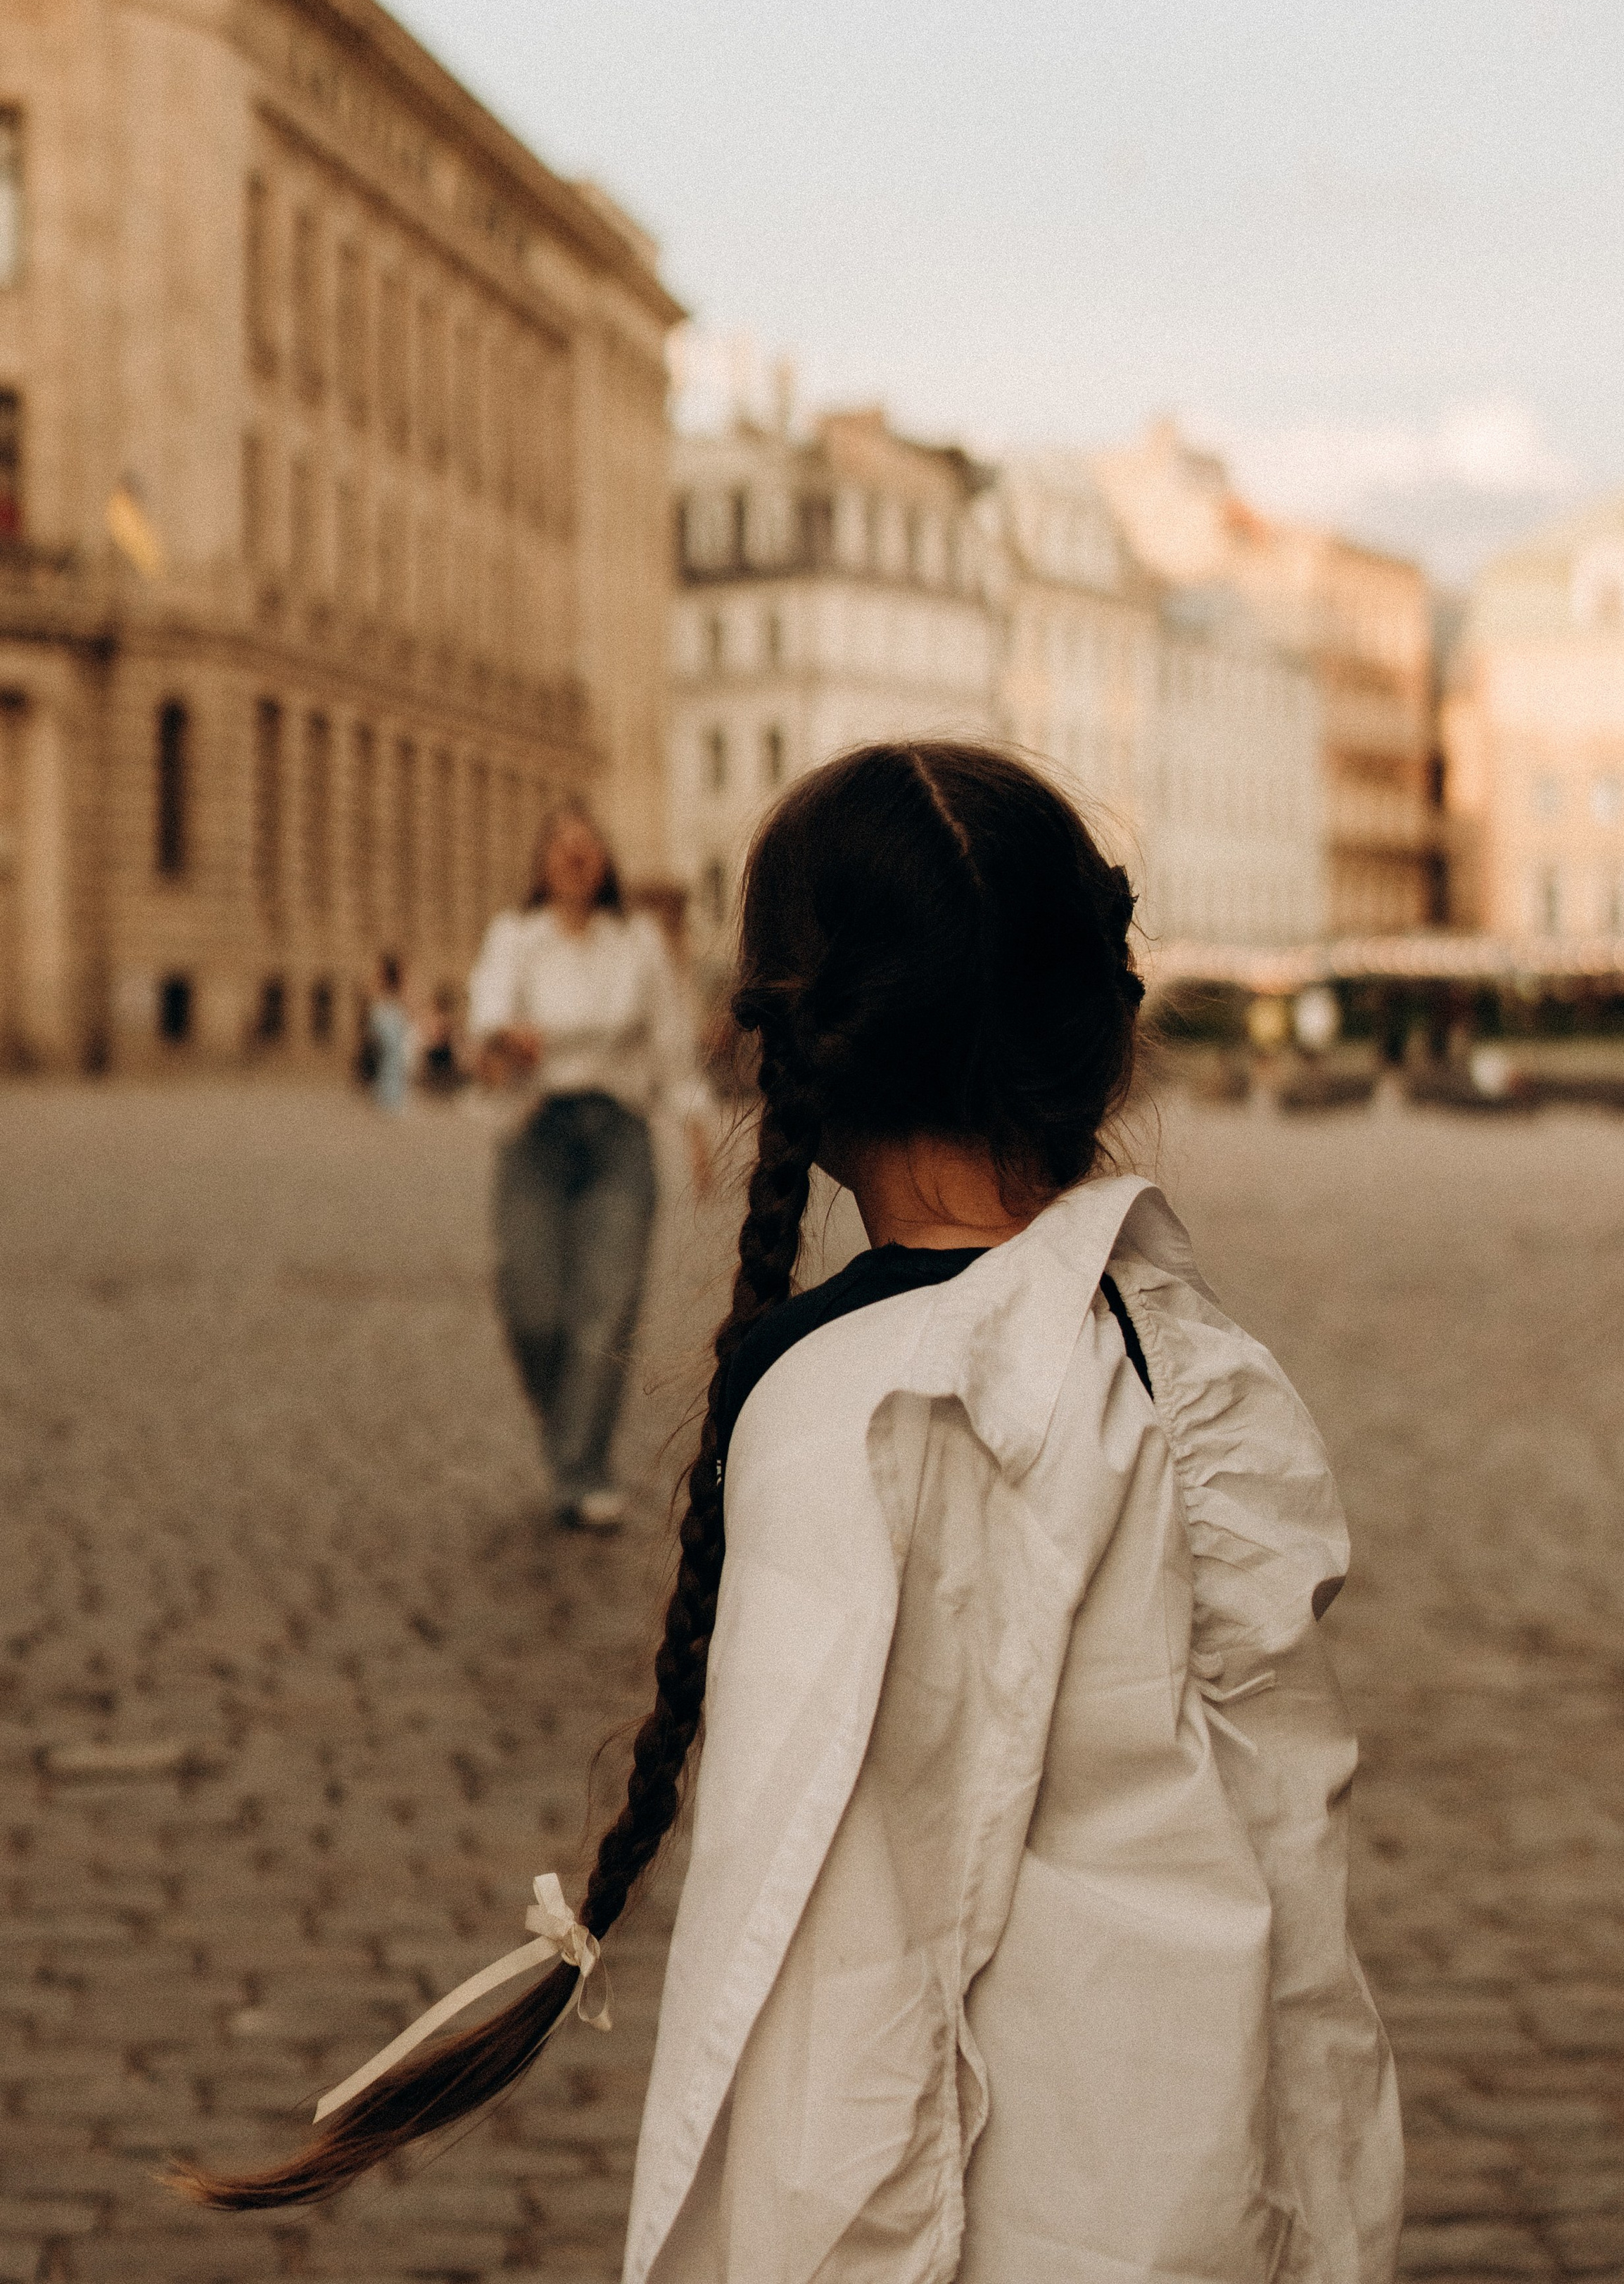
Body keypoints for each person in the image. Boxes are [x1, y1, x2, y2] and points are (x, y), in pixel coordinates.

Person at [169, 741, 1404, 2280]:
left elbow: (829, 1999)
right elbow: (1301, 1934)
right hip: (1209, 2214)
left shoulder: (839, 1415)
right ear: (1099, 1029)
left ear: (793, 1050)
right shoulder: (1210, 1380)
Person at [469, 799, 712, 1533]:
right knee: (532, 1308)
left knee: (605, 1314)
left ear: (603, 861)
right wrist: (506, 1039)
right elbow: (487, 1020)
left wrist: (695, 1127)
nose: (575, 856)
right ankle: (569, 1438)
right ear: (542, 862)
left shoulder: (637, 941)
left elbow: (671, 1043)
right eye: (561, 846)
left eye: (587, 845)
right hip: (535, 1132)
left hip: (618, 1138)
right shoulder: (515, 937)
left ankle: (583, 1471)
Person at [363, 955, 414, 1112]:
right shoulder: (397, 984)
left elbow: (373, 997)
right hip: (393, 1018)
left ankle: (387, 1098)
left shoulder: (382, 983)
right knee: (392, 1060)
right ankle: (391, 1098)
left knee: (388, 1060)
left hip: (387, 1017)